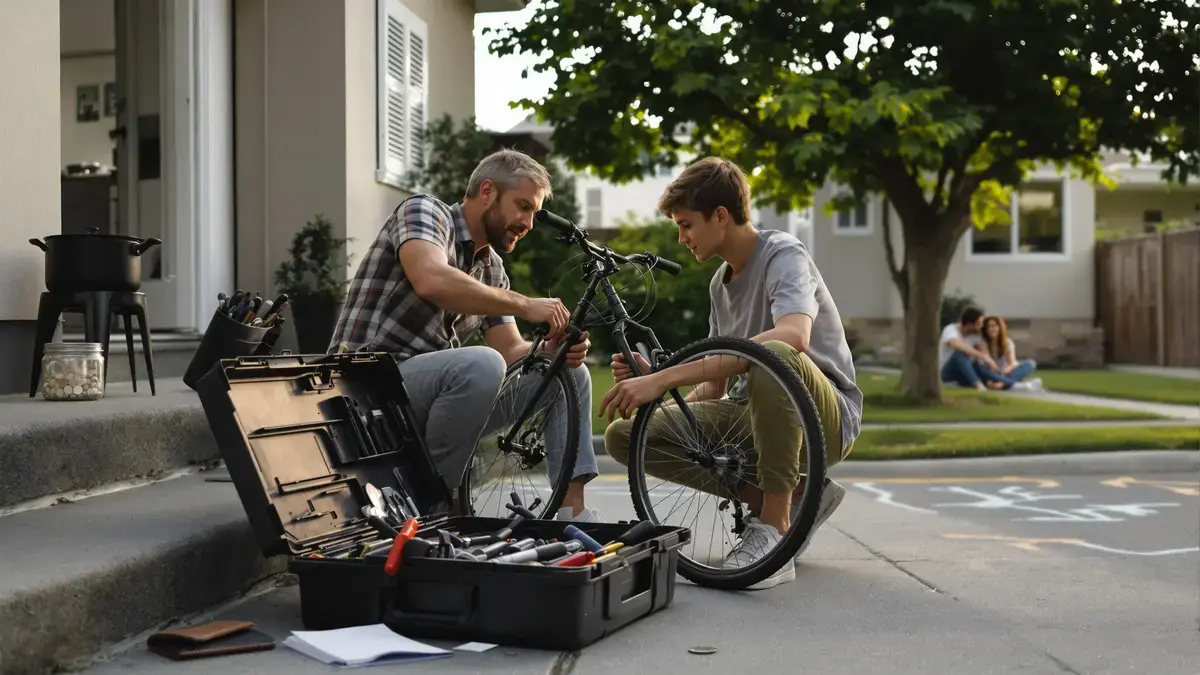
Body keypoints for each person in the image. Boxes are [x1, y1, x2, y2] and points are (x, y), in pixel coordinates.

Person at [600, 156, 863, 590]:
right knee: (626, 436)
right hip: (752, 412)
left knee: (772, 355)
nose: (681, 237)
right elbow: (714, 386)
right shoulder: (718, 285)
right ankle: (794, 500)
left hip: (824, 417)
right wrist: (661, 393)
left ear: (721, 216)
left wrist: (664, 377)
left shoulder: (783, 253)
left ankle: (775, 529)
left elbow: (794, 335)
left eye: (686, 224)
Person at [327, 148, 603, 523]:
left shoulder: (492, 269)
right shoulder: (425, 212)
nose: (528, 223)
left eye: (534, 213)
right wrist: (525, 304)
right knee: (480, 362)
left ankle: (573, 516)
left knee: (566, 372)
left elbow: (512, 351)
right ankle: (437, 507)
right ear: (487, 191)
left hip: (425, 397)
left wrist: (551, 350)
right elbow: (431, 279)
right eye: (523, 206)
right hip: (365, 393)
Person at [972, 315, 1042, 391]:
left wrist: (1005, 371)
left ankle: (1002, 384)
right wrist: (990, 381)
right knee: (980, 367)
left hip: (1005, 373)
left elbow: (1012, 363)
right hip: (990, 373)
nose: (991, 329)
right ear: (985, 329)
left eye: (994, 326)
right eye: (989, 327)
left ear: (1000, 327)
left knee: (1030, 364)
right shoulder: (983, 342)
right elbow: (987, 364)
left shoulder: (1007, 342)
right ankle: (1019, 385)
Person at [939, 307, 997, 391]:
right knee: (960, 353)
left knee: (981, 365)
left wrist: (987, 360)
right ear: (970, 324)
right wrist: (982, 356)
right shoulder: (950, 329)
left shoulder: (976, 335)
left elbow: (984, 351)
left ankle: (1005, 381)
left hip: (965, 373)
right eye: (979, 323)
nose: (981, 326)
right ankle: (978, 384)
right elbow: (956, 345)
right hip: (948, 373)